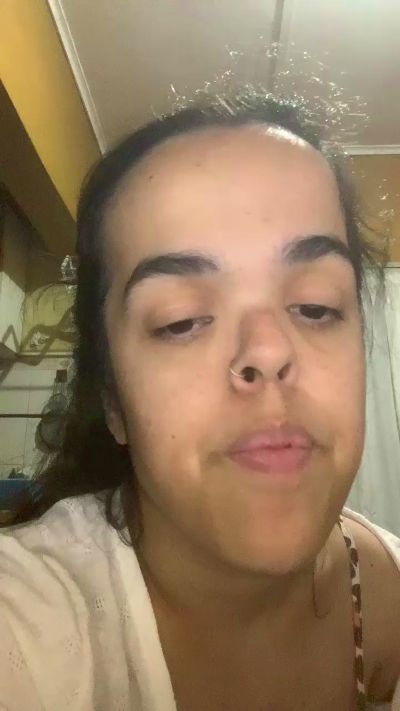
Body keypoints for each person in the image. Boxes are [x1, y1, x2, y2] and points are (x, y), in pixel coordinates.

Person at [0, 91, 399, 711]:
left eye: (316, 306)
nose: (269, 349)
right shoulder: (27, 626)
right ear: (112, 399)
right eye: (180, 321)